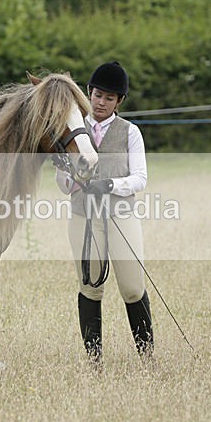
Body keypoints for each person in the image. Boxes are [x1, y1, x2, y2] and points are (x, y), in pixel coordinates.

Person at [55, 61, 152, 367]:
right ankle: (94, 359)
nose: (101, 102)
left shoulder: (130, 132)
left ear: (119, 101)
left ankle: (146, 356)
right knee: (90, 286)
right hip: (84, 216)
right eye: (98, 95)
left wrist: (110, 183)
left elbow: (140, 178)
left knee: (133, 287)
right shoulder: (73, 130)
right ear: (89, 93)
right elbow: (62, 183)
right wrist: (76, 178)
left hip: (121, 214)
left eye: (109, 98)